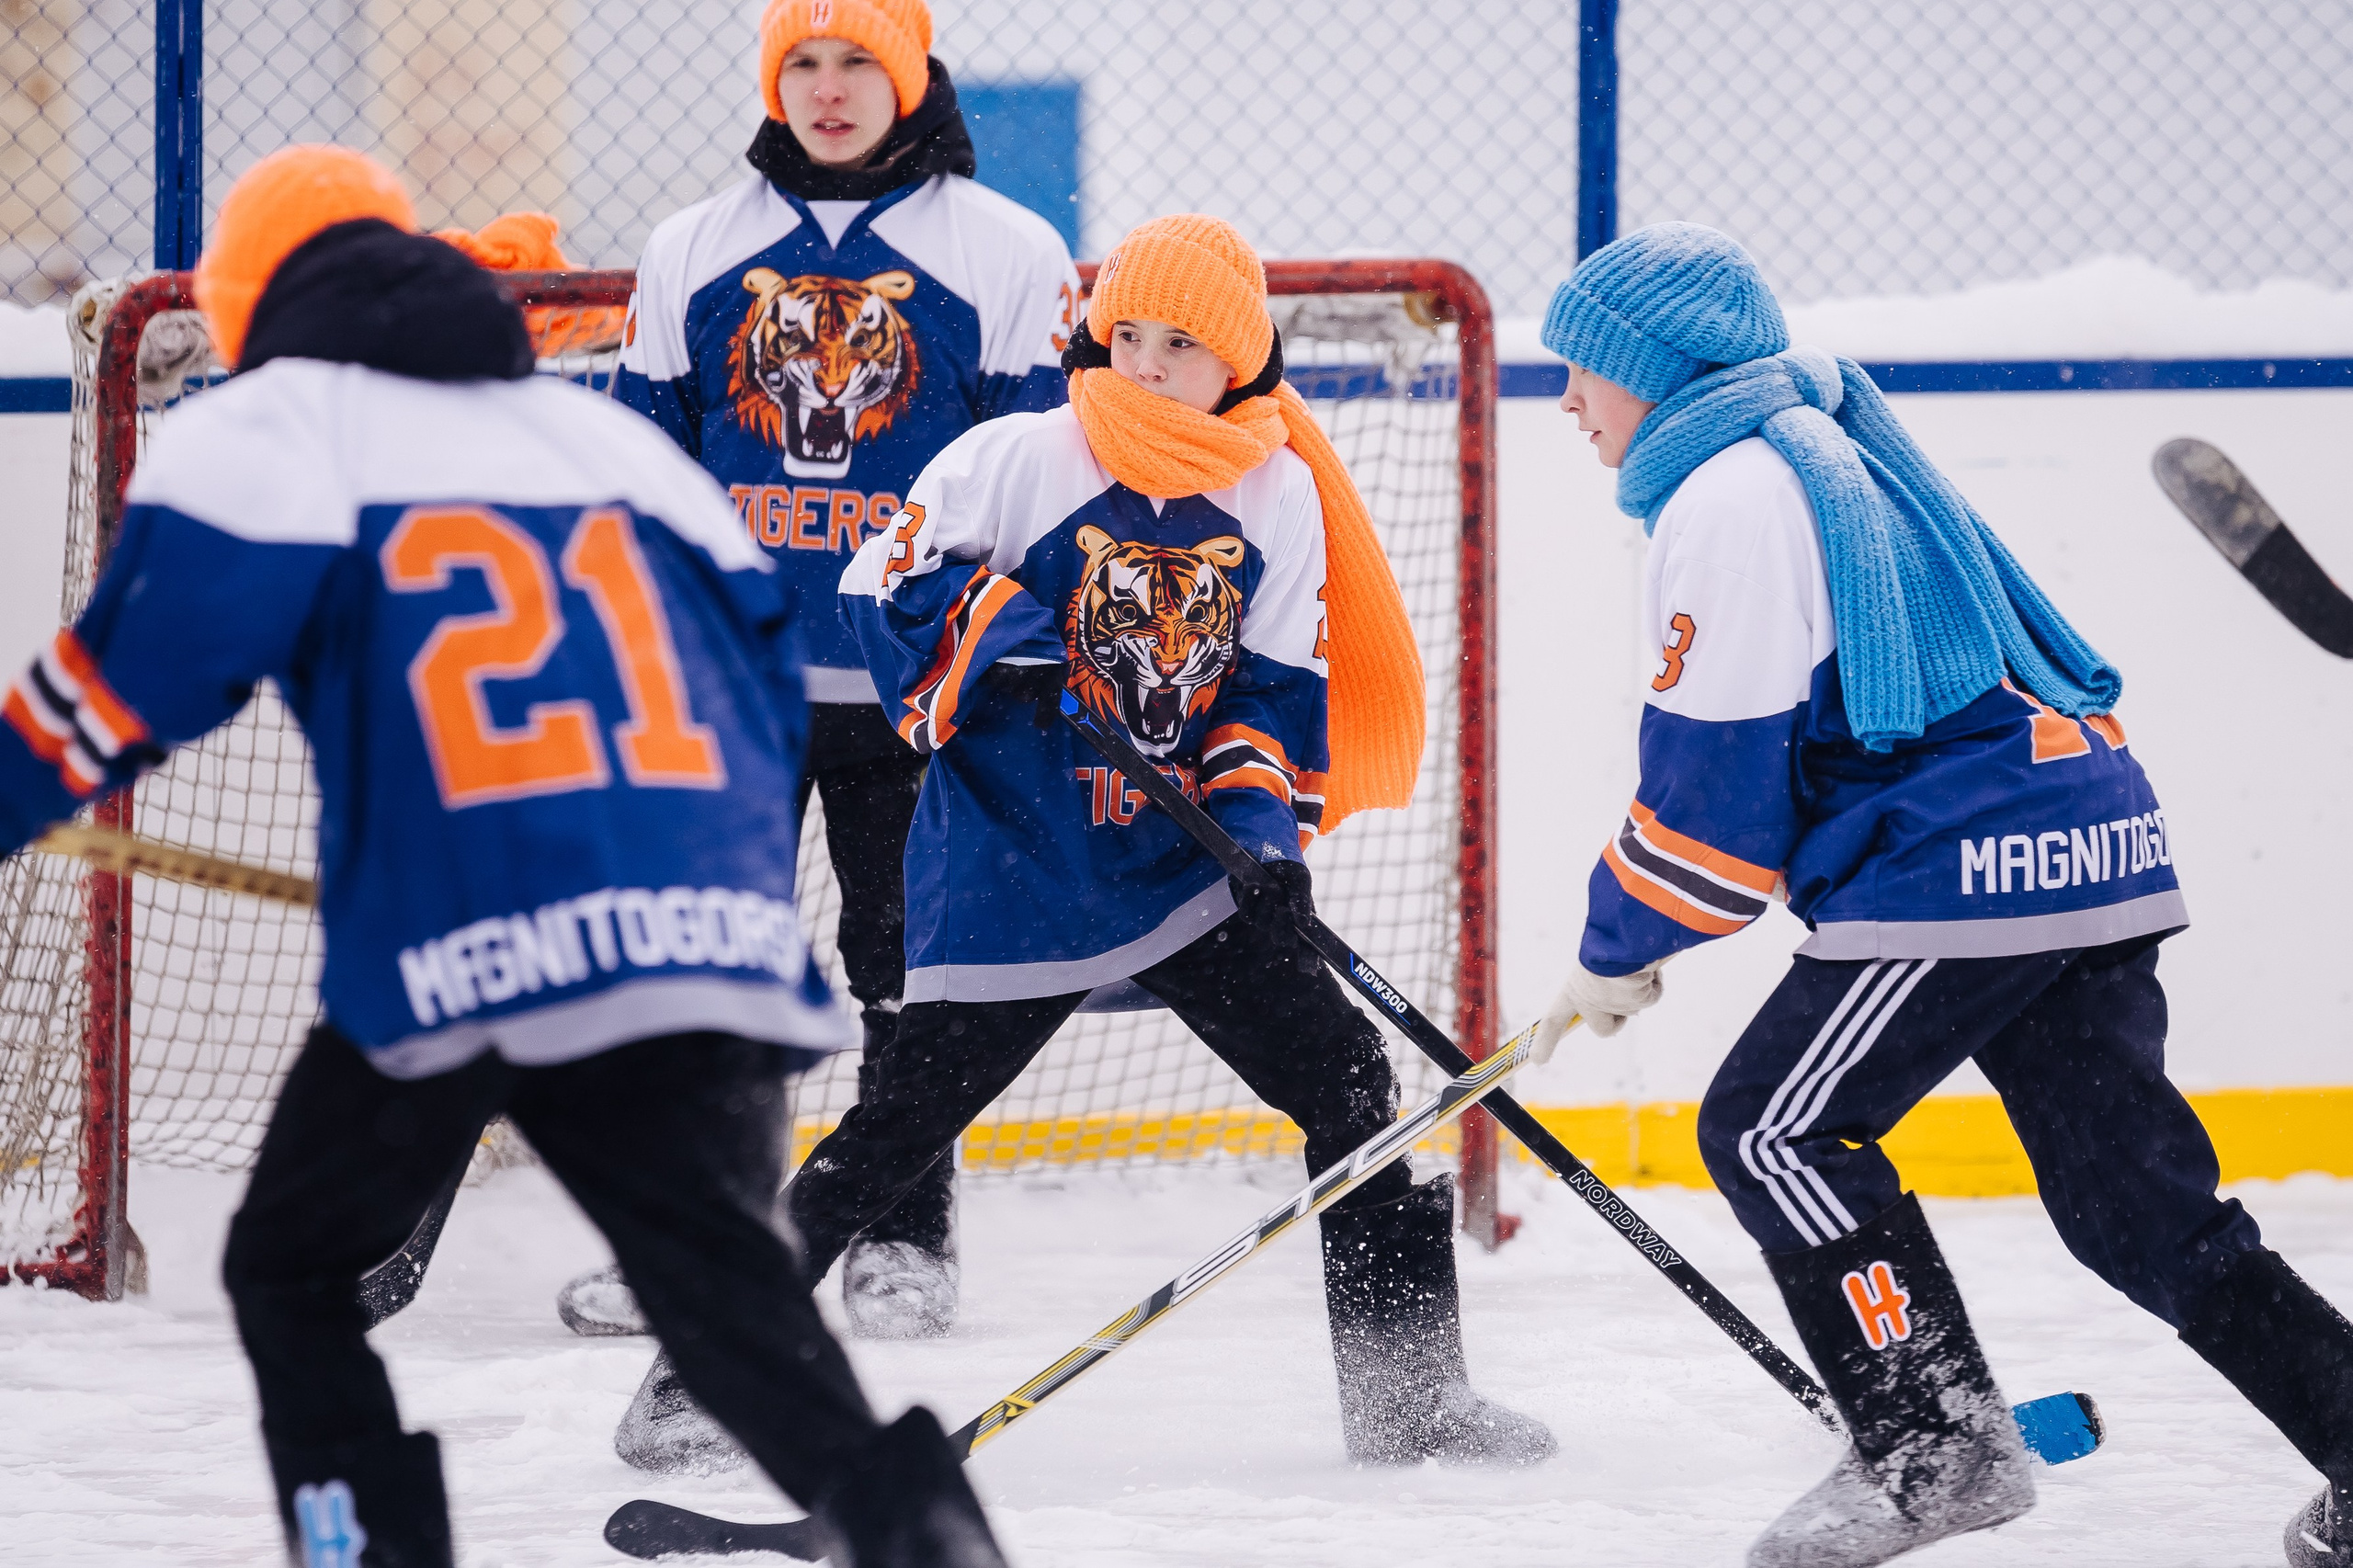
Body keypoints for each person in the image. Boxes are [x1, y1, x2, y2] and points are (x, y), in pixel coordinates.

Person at [0, 144, 1008, 1568]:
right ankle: (929, 1544)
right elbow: (755, 665)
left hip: (465, 934)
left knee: (291, 1265)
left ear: (246, 304)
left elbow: (110, 700)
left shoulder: (275, 419)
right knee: (729, 1312)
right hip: (702, 937)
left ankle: (367, 1554)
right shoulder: (598, 439)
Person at [1532, 222, 2353, 1568]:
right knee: (2136, 1211)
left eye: (1589, 372)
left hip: (1969, 857)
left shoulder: (1729, 495)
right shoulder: (1815, 444)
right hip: (2086, 827)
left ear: (1661, 373)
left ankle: (1933, 1445)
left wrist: (1612, 947)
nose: (1567, 402)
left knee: (1772, 1131)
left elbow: (1712, 815)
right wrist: (1632, 930)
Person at [802, 212, 1553, 1472]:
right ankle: (701, 1373)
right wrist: (1002, 624)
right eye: (1127, 335)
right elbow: (879, 584)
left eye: (1181, 344)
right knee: (895, 1130)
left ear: (1239, 361)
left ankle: (1409, 1395)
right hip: (1015, 870)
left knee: (1351, 1087)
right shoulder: (1019, 458)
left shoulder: (1275, 488)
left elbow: (1265, 692)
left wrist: (1265, 842)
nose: (1144, 364)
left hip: (1176, 873)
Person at [562, 0, 1082, 1355]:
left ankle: (901, 1227)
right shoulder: (693, 246)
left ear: (910, 77)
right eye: (804, 60)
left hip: (917, 687)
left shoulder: (1007, 250)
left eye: (859, 60)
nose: (831, 88)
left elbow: (1035, 482)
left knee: (909, 962)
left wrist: (1001, 655)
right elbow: (640, 466)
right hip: (731, 686)